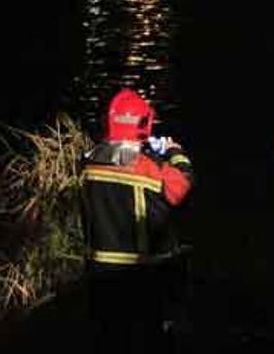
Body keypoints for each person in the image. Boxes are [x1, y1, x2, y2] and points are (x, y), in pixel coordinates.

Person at [81, 89, 193, 353]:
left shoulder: (89, 162)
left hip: (99, 270)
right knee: (150, 337)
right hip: (141, 273)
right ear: (144, 124)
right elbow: (180, 186)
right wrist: (175, 153)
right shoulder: (148, 167)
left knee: (108, 337)